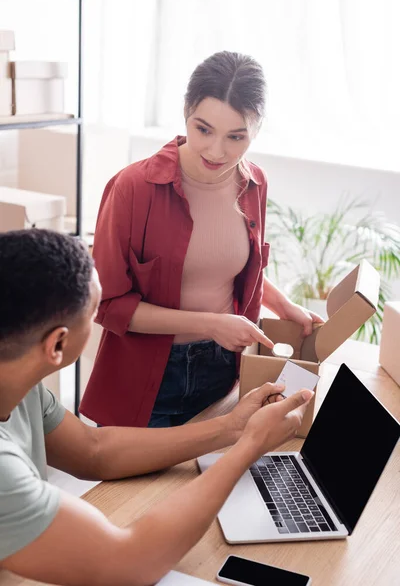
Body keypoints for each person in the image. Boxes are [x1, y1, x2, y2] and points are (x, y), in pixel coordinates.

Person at [0, 229, 313, 586]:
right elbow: (125, 563)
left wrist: (234, 428)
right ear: (58, 343)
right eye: (93, 313)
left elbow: (92, 450)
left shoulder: (19, 385)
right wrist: (248, 448)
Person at [80, 50, 322, 429]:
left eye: (236, 136)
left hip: (224, 368)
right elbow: (107, 305)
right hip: (149, 379)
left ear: (257, 129)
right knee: (137, 491)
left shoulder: (254, 182)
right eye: (203, 129)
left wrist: (283, 304)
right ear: (185, 112)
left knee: (216, 482)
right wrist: (211, 323)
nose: (216, 151)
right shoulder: (133, 188)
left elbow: (227, 262)